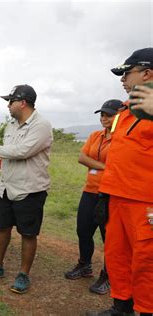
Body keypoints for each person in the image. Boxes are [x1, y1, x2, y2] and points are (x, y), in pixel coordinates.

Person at [89, 48, 153, 316]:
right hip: (116, 197)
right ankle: (122, 306)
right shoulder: (125, 111)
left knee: (146, 261)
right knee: (117, 256)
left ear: (147, 73)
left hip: (145, 202)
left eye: (127, 73)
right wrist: (105, 194)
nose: (122, 79)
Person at [0, 84, 52, 294]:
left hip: (29, 190)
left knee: (28, 233)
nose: (8, 105)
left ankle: (23, 274)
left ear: (23, 102)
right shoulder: (11, 125)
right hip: (6, 188)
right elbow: (9, 151)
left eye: (11, 101)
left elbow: (22, 151)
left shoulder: (41, 125)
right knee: (2, 227)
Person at [64, 99, 123, 295]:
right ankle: (84, 265)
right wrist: (104, 166)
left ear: (119, 117)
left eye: (109, 115)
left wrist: (95, 164)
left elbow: (119, 164)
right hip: (90, 191)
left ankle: (108, 276)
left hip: (110, 193)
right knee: (83, 230)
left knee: (110, 238)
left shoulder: (122, 138)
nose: (104, 118)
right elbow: (82, 158)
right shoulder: (95, 135)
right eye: (102, 114)